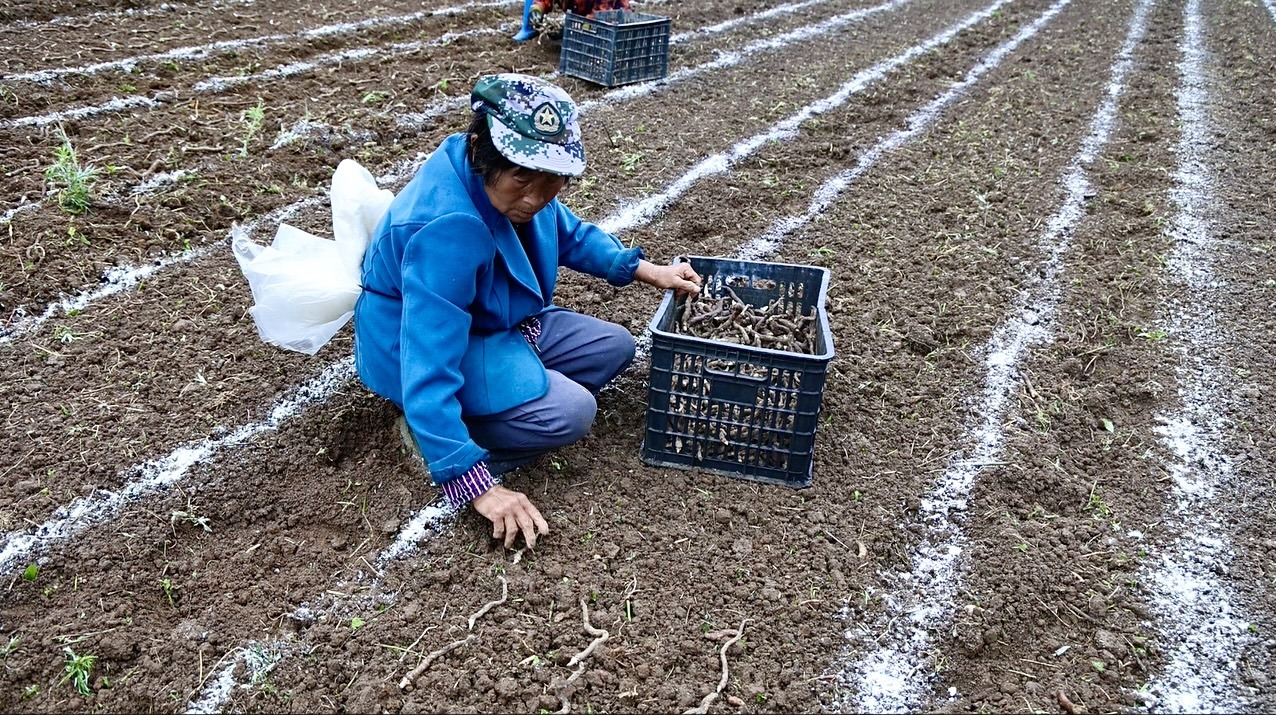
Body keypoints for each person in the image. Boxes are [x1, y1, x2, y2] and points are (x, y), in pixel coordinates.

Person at [353, 74, 701, 551]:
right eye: (522, 178)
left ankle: (510, 389)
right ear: (482, 148)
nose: (536, 197)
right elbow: (429, 361)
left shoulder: (514, 188)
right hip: (417, 348)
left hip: (495, 322)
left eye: (553, 179)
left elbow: (571, 234)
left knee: (614, 346)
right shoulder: (445, 228)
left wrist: (647, 270)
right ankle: (429, 435)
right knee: (572, 411)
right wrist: (475, 484)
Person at [513, 0, 632, 41]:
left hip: (613, 25)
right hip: (582, 17)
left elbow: (600, 17)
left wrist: (571, 29)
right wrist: (537, 9)